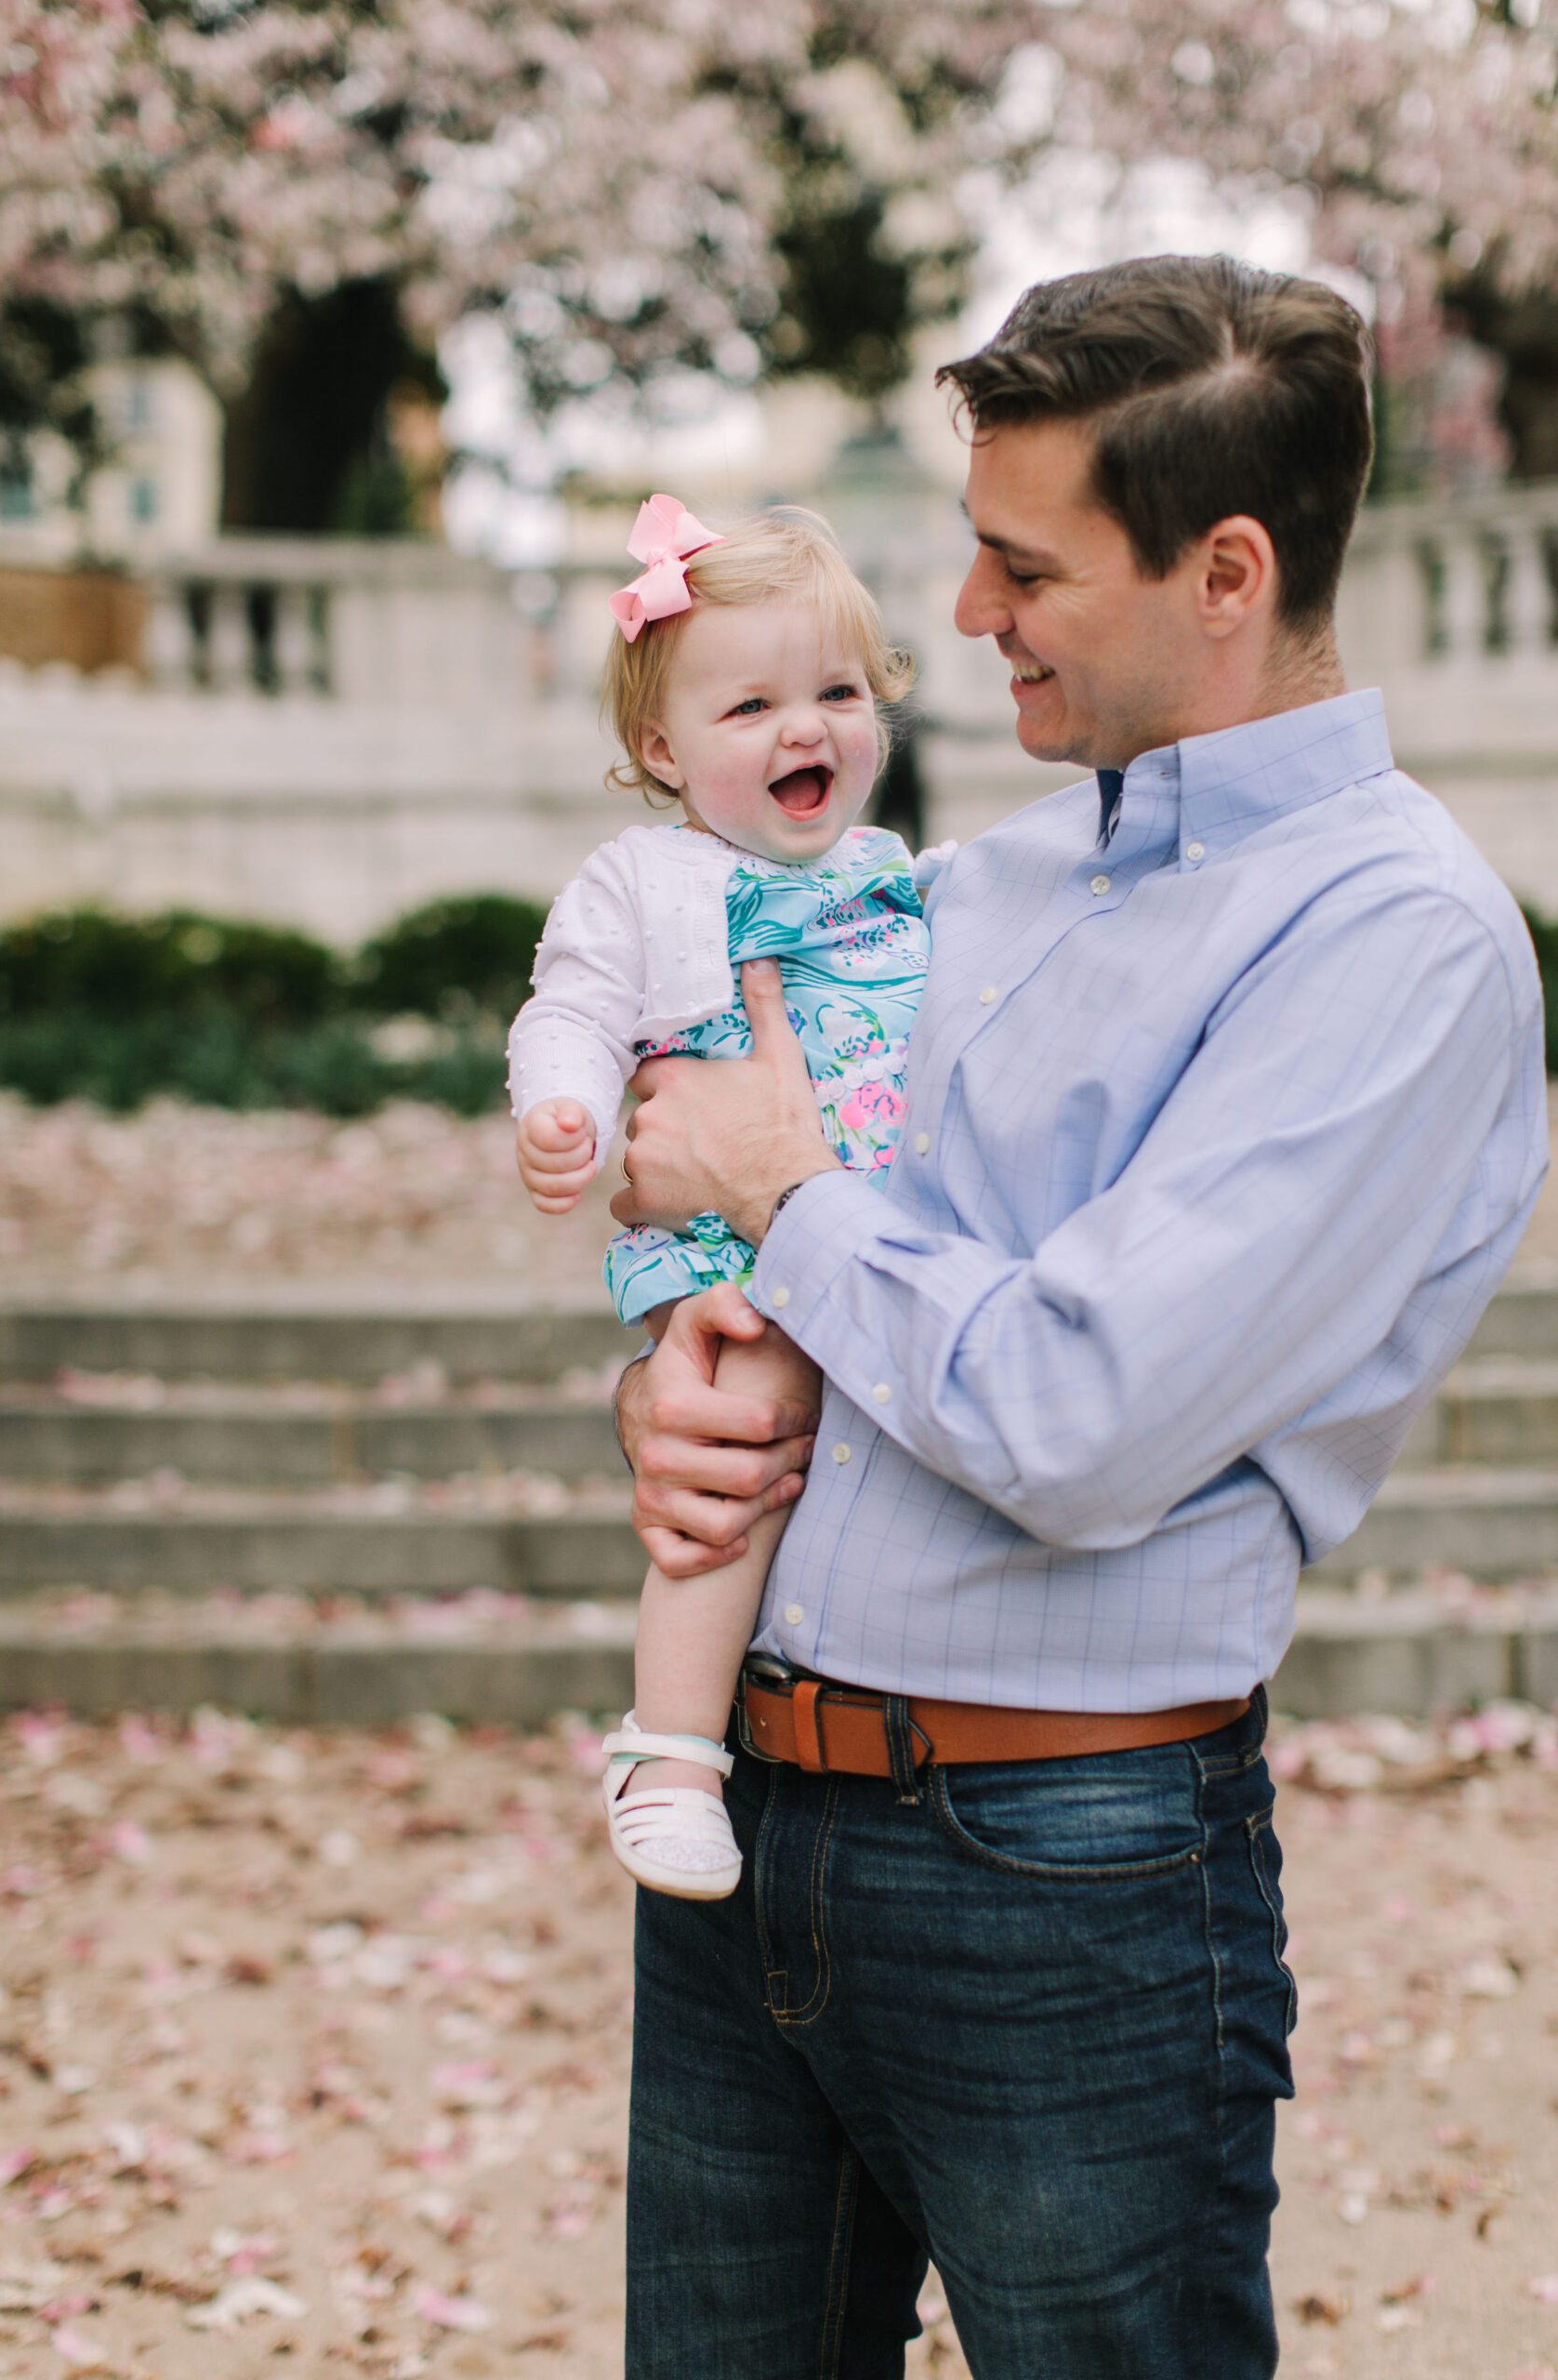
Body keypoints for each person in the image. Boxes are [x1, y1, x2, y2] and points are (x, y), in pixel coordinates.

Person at [609, 254, 1549, 2378]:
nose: (960, 615)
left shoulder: (1393, 943)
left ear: (1224, 569)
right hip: (746, 1816)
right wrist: (669, 1381)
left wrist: (778, 1184)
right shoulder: (979, 883)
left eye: (1022, 566)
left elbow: (1071, 1415)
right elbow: (802, 1270)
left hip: (1064, 1871)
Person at [508, 501, 941, 1898]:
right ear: (661, 749)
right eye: (750, 703)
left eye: (836, 691)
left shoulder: (900, 880)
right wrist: (561, 1109)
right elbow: (568, 1005)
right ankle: (674, 1747)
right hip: (731, 1245)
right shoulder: (648, 880)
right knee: (737, 1446)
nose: (803, 727)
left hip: (876, 1228)